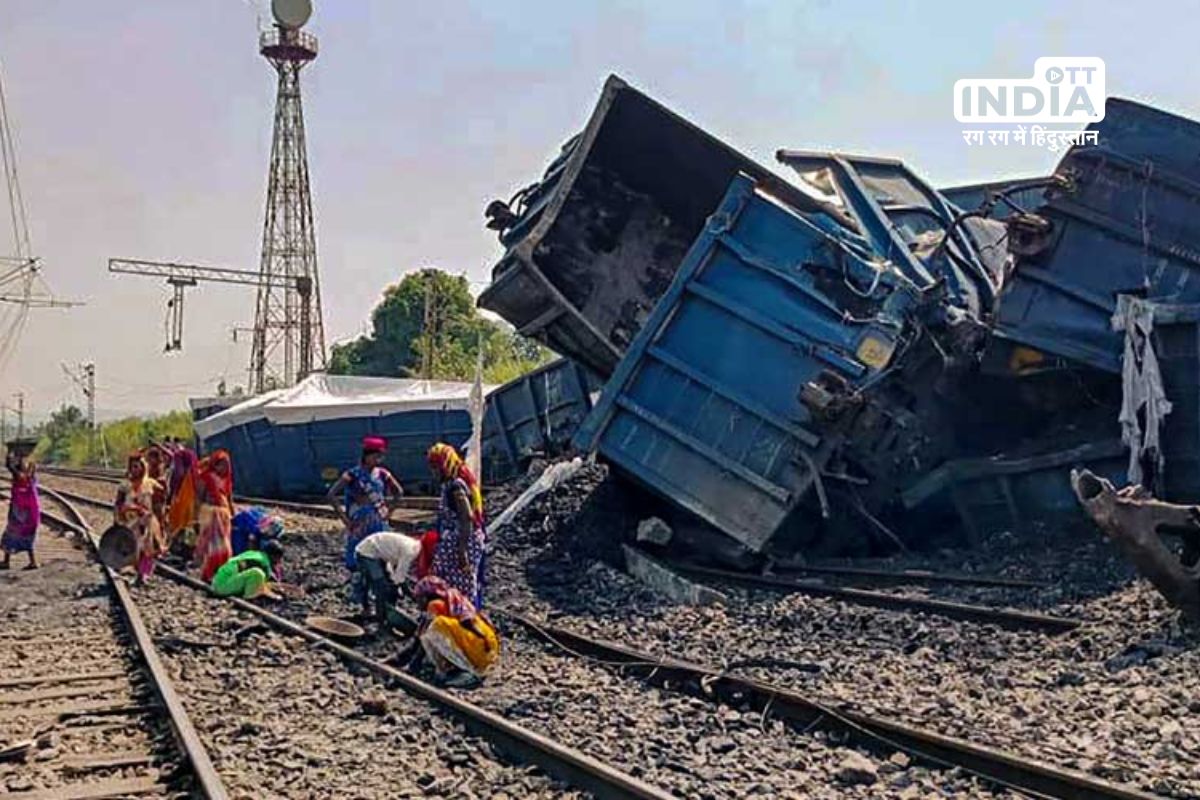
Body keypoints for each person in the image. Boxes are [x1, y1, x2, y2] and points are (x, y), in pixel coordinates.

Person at [325, 436, 404, 611]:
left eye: (380, 457)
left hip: (378, 525)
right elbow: (331, 494)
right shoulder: (352, 475)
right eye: (376, 456)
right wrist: (344, 519)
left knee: (381, 561)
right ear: (366, 455)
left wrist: (389, 512)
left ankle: (384, 602)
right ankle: (363, 602)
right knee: (359, 562)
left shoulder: (383, 474)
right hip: (359, 526)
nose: (378, 460)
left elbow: (399, 492)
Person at [426, 443, 487, 608]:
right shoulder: (449, 485)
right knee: (447, 582)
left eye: (434, 467)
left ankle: (463, 621)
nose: (432, 471)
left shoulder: (456, 487)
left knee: (461, 585)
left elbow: (466, 517)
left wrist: (462, 550)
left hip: (461, 541)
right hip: (455, 541)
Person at [412, 575, 499, 687]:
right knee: (431, 631)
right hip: (484, 651)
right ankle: (456, 669)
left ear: (426, 596)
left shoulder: (435, 605)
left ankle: (465, 671)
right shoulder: (449, 603)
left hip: (480, 650)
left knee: (434, 627)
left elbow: (421, 638)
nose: (417, 603)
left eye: (418, 598)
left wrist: (412, 665)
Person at [114, 451, 166, 584]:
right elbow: (118, 503)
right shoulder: (124, 485)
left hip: (147, 520)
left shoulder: (150, 483)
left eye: (139, 466)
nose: (136, 469)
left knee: (148, 549)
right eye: (133, 467)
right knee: (133, 549)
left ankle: (143, 575)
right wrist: (118, 518)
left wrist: (159, 516)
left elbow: (161, 498)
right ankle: (138, 572)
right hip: (131, 521)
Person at [354, 531, 421, 629]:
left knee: (387, 584)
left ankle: (386, 611)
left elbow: (396, 574)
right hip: (367, 552)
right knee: (380, 585)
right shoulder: (410, 552)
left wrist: (396, 585)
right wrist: (410, 594)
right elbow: (400, 578)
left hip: (379, 553)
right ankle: (380, 618)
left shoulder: (414, 546)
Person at [194, 449, 235, 582]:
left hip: (223, 517)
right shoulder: (206, 477)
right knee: (212, 546)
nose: (224, 468)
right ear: (214, 464)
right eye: (221, 465)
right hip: (210, 515)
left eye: (226, 465)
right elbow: (199, 497)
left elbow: (229, 498)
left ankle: (220, 572)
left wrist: (232, 514)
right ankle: (208, 573)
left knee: (224, 546)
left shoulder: (226, 479)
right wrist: (198, 514)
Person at [0, 450, 40, 570]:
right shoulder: (30, 477)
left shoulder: (21, 477)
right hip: (31, 514)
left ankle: (7, 562)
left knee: (10, 534)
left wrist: (10, 454)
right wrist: (20, 457)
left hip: (21, 514)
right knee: (26, 537)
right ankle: (33, 562)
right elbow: (16, 467)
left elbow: (11, 467)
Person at [211, 540, 284, 599]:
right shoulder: (263, 562)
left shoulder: (254, 554)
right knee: (258, 573)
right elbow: (261, 578)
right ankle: (250, 596)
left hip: (218, 581)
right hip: (222, 587)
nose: (279, 561)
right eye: (278, 558)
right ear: (273, 556)